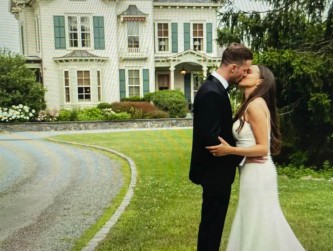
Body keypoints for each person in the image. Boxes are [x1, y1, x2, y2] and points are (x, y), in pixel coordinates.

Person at [206, 65, 305, 251]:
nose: (244, 73)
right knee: (253, 220)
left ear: (260, 82)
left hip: (258, 172)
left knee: (259, 222)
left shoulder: (255, 105)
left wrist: (229, 151)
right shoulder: (250, 104)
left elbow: (262, 149)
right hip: (250, 170)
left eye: (249, 72)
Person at [189, 43, 253, 251]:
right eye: (244, 71)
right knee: (212, 225)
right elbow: (211, 139)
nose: (244, 75)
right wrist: (241, 156)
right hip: (215, 172)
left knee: (213, 224)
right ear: (233, 68)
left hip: (216, 172)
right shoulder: (211, 92)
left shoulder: (214, 89)